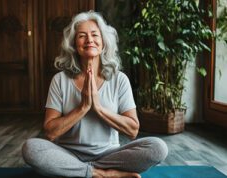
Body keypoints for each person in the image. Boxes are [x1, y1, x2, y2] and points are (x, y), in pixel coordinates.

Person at [22, 11, 168, 178]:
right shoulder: (60, 80)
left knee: (158, 147)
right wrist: (83, 107)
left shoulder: (119, 79)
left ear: (103, 43)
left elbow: (133, 129)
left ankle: (80, 171)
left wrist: (98, 108)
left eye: (94, 35)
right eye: (82, 36)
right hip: (69, 154)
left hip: (110, 156)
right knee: (31, 148)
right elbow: (50, 132)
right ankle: (100, 174)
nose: (89, 40)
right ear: (74, 45)